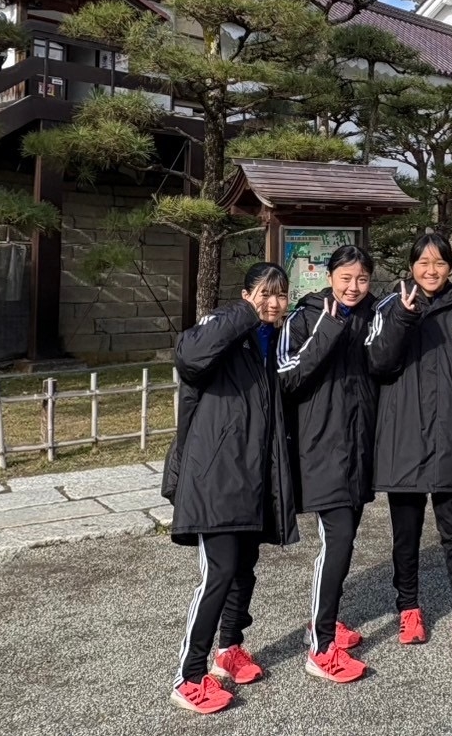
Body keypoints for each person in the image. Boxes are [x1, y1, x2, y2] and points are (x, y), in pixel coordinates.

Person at [161, 263, 299, 714]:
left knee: (243, 568)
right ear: (245, 295)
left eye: (280, 295)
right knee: (218, 573)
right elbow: (190, 357)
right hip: (214, 476)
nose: (273, 303)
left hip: (252, 477)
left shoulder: (272, 344)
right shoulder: (221, 327)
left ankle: (229, 649)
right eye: (264, 294)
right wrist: (245, 313)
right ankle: (189, 675)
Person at [365, 231, 452, 659]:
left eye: (439, 262)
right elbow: (378, 363)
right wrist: (403, 315)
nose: (431, 270)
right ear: (411, 267)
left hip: (450, 440)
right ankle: (409, 609)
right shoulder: (389, 307)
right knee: (406, 536)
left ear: (450, 267)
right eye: (423, 263)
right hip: (404, 442)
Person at [276, 245, 380, 683]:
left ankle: (326, 619)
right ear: (330, 277)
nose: (353, 287)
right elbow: (287, 378)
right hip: (321, 448)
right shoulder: (305, 316)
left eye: (361, 279)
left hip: (360, 447)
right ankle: (320, 647)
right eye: (345, 278)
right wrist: (330, 324)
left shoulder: (373, 315)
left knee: (347, 538)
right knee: (336, 541)